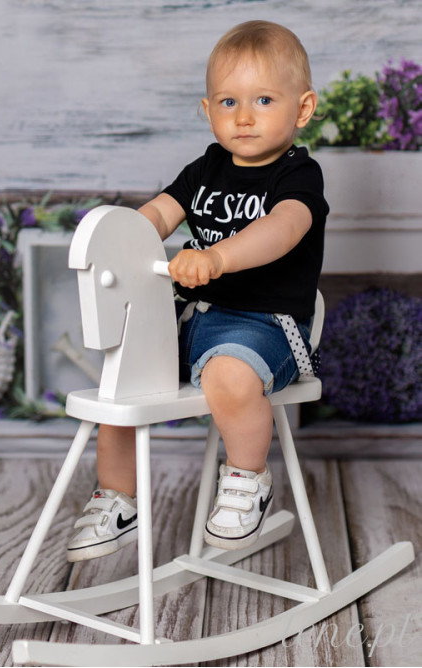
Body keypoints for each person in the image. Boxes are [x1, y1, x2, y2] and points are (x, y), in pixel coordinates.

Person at [67, 20, 329, 562]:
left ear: (302, 109)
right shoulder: (206, 167)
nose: (244, 116)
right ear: (208, 111)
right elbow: (158, 214)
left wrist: (217, 257)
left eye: (263, 100)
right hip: (195, 316)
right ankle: (117, 498)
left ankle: (247, 479)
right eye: (229, 102)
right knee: (124, 378)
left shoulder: (298, 176)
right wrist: (122, 240)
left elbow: (283, 229)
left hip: (265, 323)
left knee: (229, 374)